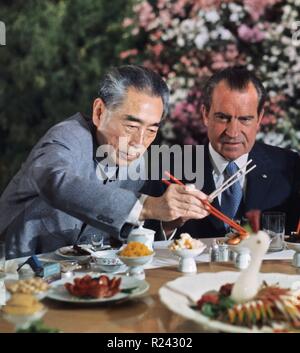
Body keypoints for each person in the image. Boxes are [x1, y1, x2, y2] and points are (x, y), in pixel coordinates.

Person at [0, 65, 209, 258]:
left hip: (77, 278)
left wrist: (168, 223)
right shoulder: (66, 137)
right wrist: (146, 206)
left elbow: (122, 239)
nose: (139, 142)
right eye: (131, 126)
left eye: (152, 130)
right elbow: (55, 181)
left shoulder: (137, 163)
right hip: (13, 268)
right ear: (99, 112)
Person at [148, 66, 300, 238]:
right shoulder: (169, 166)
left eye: (245, 119)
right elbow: (140, 239)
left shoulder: (289, 165)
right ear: (205, 114)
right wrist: (169, 224)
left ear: (259, 119)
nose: (233, 132)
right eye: (222, 117)